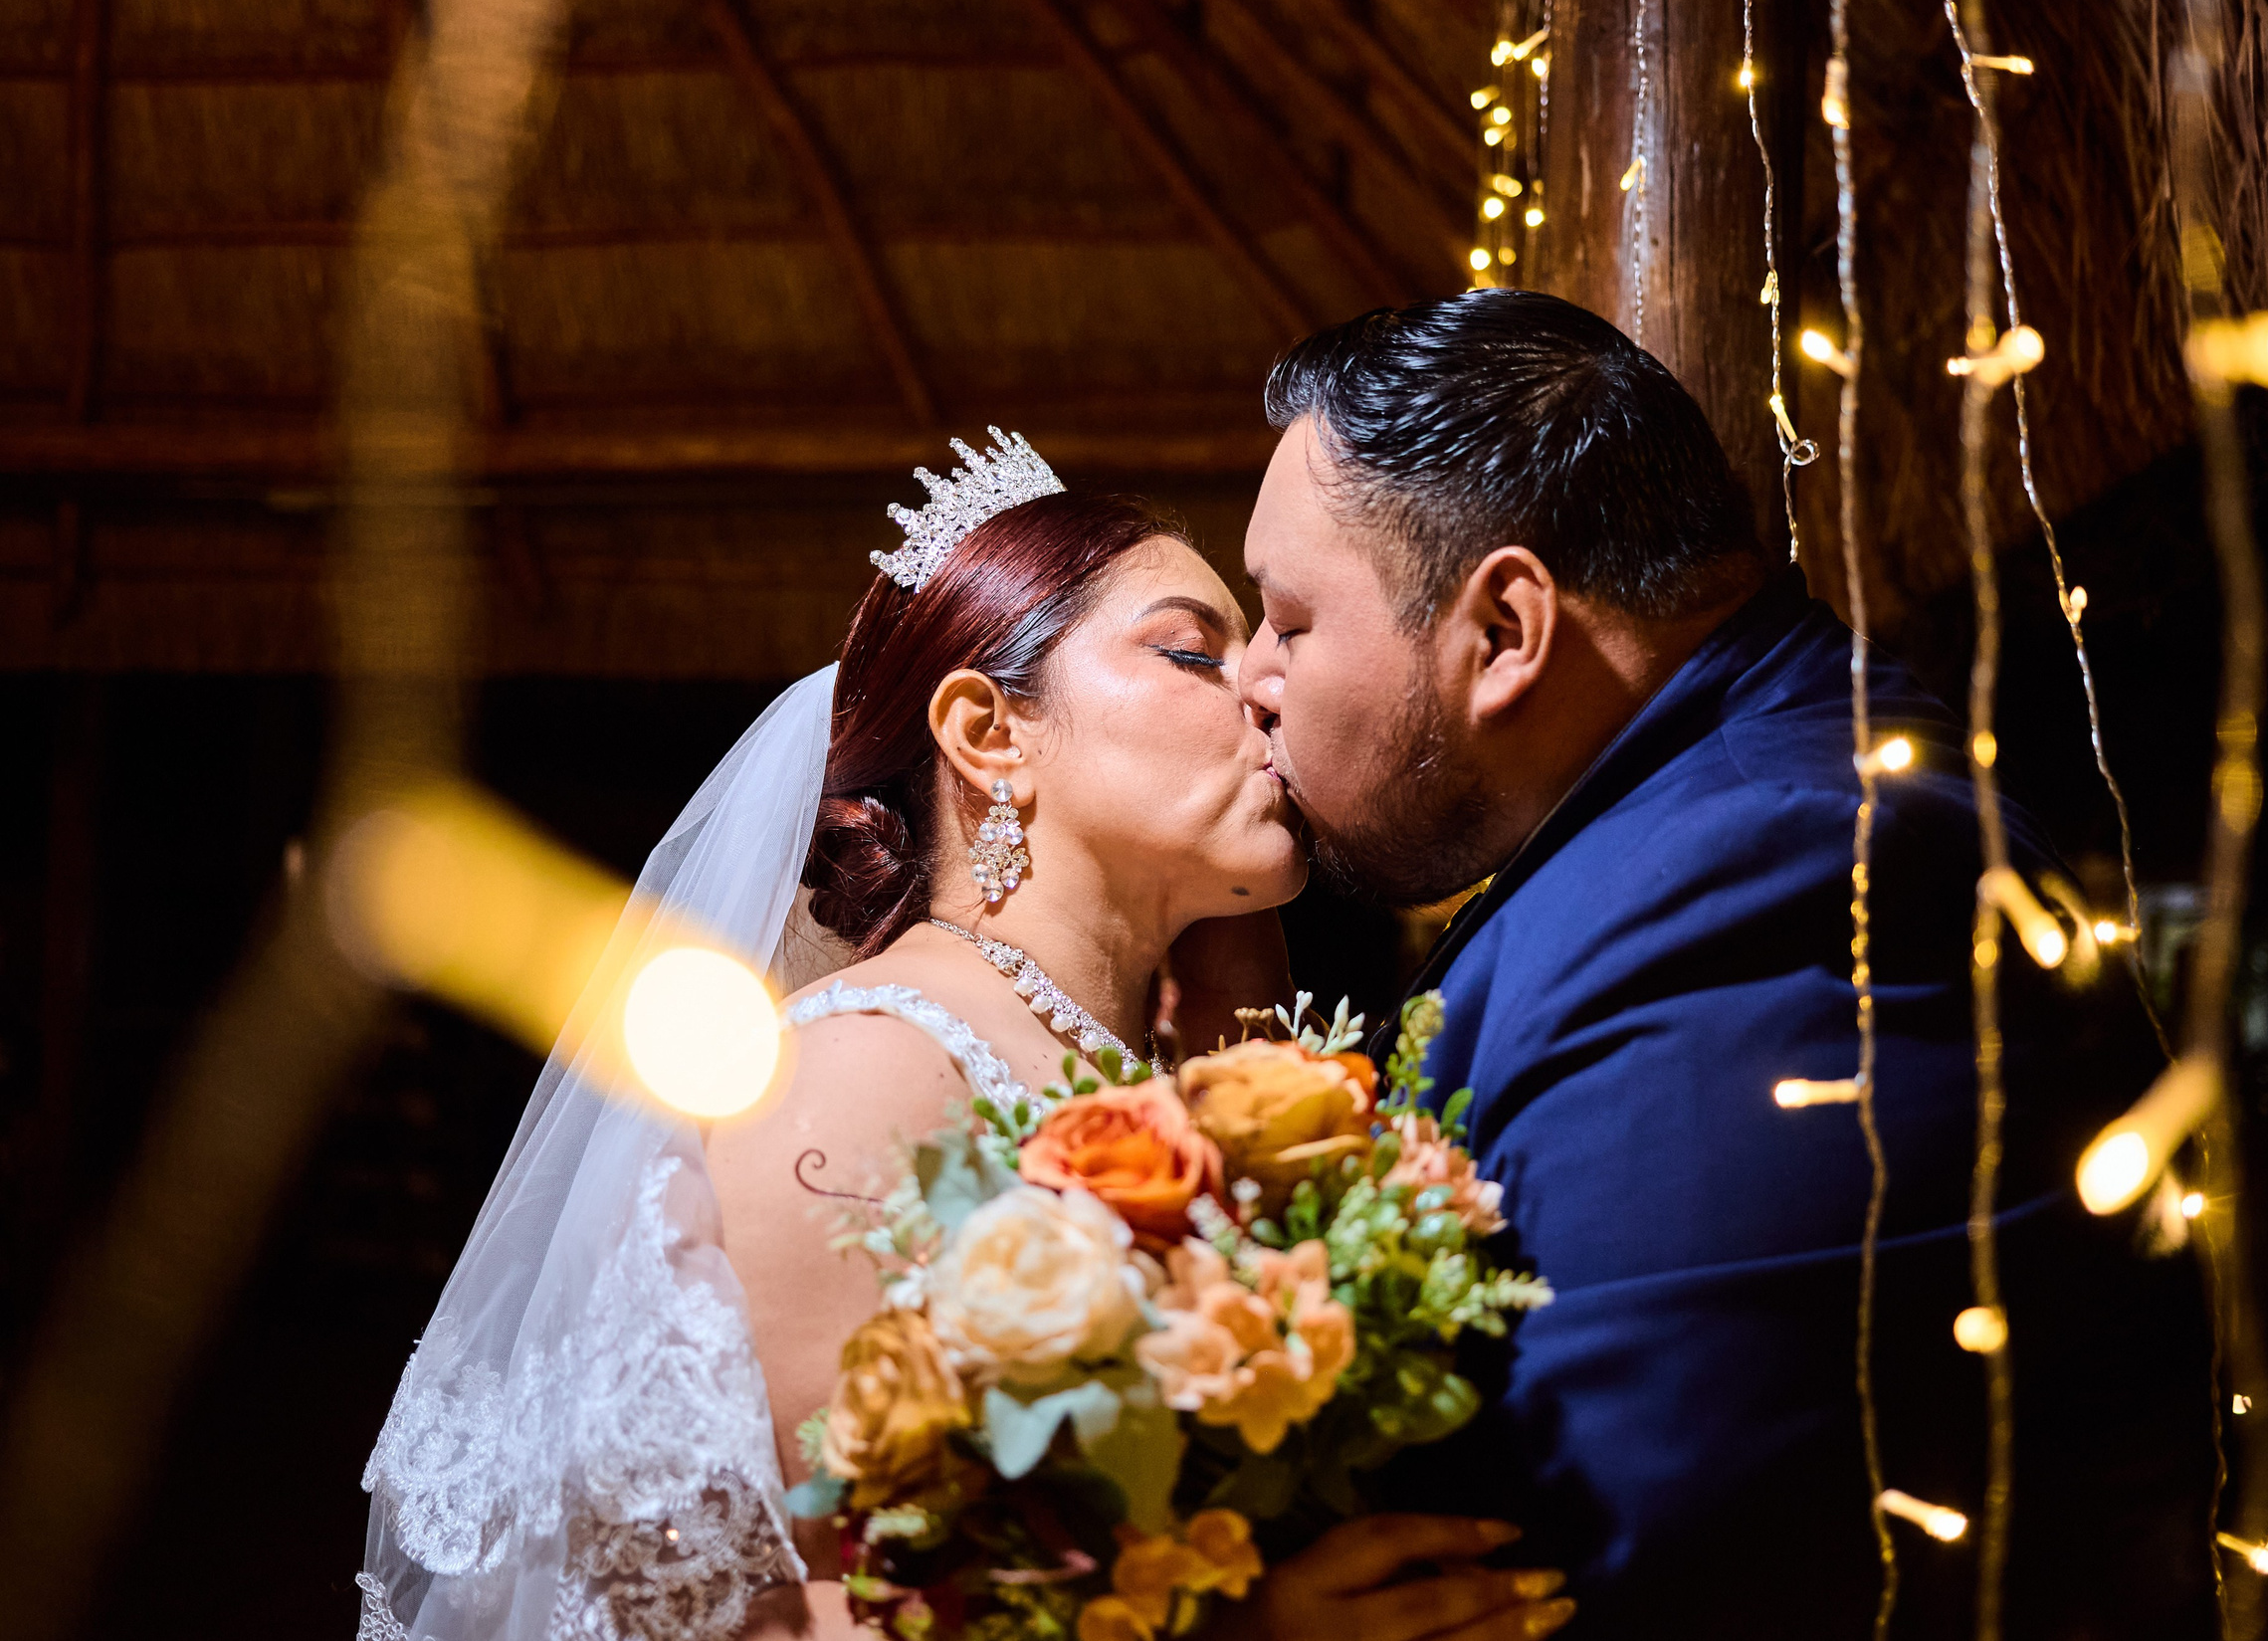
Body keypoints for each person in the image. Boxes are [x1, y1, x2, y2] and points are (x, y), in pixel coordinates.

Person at [355, 436, 1571, 1641]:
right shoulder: (856, 1075)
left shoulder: (1171, 1059)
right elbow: (764, 1618)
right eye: (1192, 650)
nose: (1263, 686)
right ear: (989, 732)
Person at [1236, 291, 2217, 1639]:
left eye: (1285, 620)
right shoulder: (1740, 800)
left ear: (1506, 631)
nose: (1249, 675)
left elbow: (1657, 1552)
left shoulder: (1777, 874)